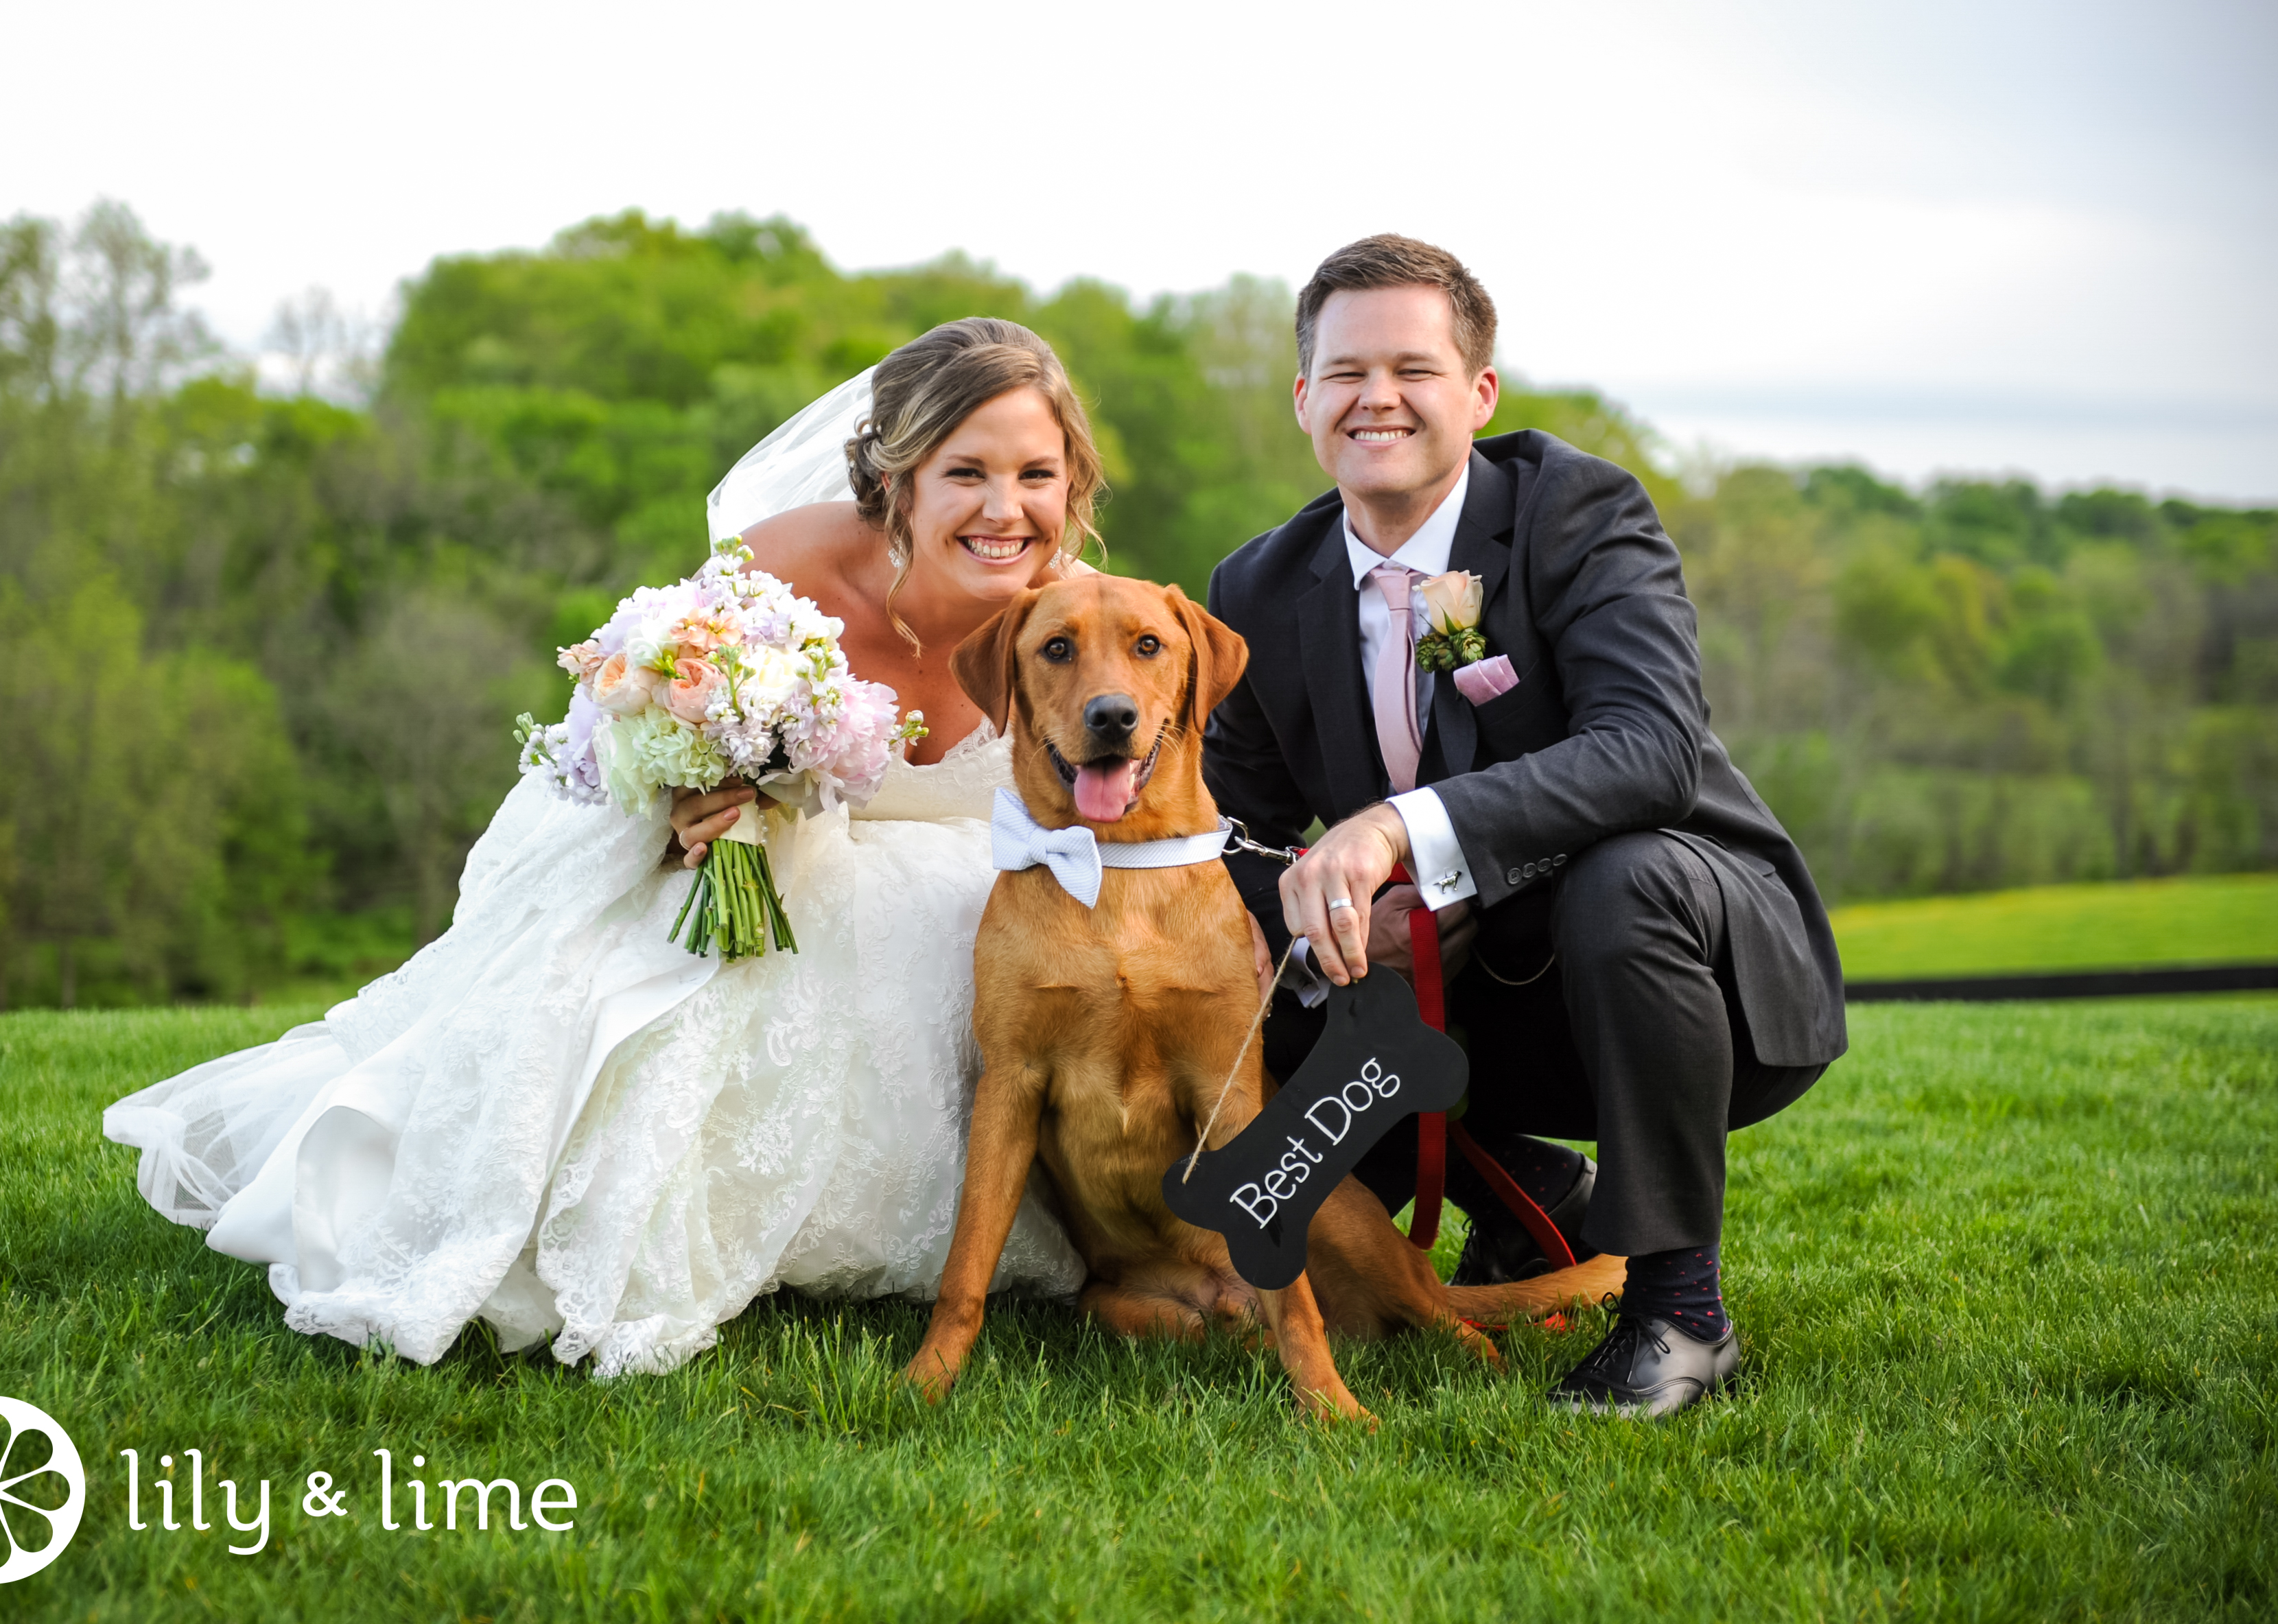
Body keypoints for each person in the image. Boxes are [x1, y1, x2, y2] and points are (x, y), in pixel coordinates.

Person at [104, 319, 1099, 1376]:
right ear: (896, 476)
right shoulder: (783, 570)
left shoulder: (1079, 610)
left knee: (950, 915)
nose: (1007, 510)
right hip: (763, 853)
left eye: (1038, 473)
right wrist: (688, 790)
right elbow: (654, 712)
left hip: (962, 876)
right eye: (966, 473)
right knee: (710, 948)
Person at [1201, 235, 1846, 1418]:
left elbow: (1650, 749)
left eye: (1413, 368)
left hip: (1679, 963)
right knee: (1234, 1066)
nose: (1375, 398)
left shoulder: (1577, 515)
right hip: (1444, 1000)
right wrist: (1318, 909)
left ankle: (1680, 1316)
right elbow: (1219, 831)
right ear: (1302, 399)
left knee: (1627, 878)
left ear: (1478, 393)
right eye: (1344, 373)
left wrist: (1399, 829)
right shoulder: (1254, 587)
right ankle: (1530, 1205)